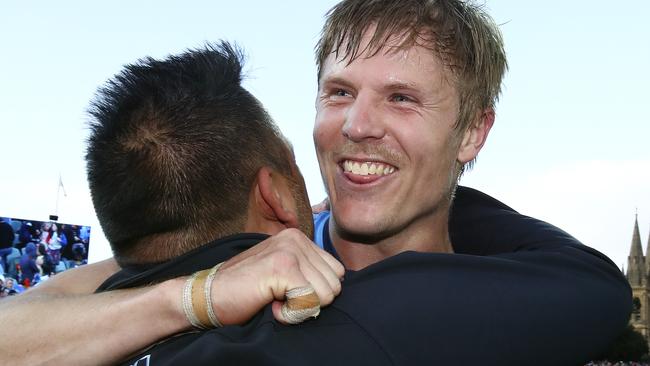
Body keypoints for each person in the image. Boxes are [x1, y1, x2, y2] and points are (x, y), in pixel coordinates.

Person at [0, 0, 631, 364]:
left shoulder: (533, 300)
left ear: (473, 130)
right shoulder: (235, 258)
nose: (357, 125)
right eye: (339, 92)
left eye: (403, 98)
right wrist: (201, 291)